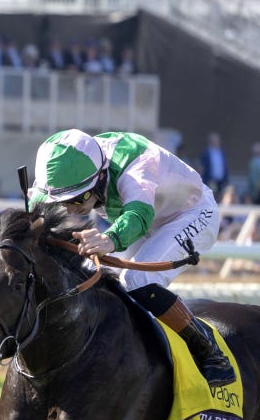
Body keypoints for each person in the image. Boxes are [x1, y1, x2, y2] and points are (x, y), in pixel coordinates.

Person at [28, 128, 235, 388]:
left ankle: (210, 353)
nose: (72, 208)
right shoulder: (68, 166)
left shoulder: (136, 166)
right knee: (88, 273)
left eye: (79, 198)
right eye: (65, 201)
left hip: (191, 214)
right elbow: (34, 204)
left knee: (137, 279)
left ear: (101, 175)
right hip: (146, 219)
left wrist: (109, 239)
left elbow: (137, 216)